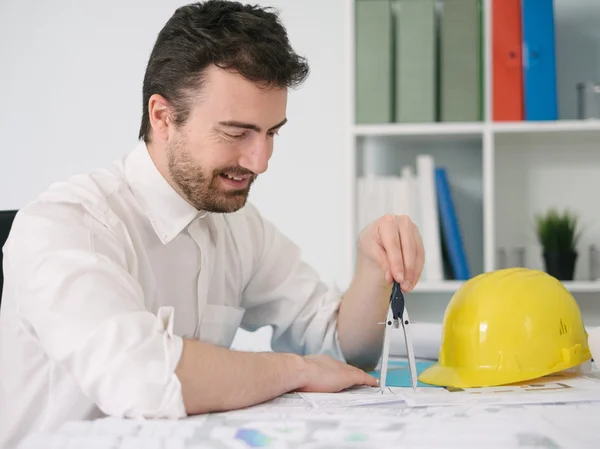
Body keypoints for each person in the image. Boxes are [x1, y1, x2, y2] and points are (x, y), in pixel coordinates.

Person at [0, 1, 424, 447]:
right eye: (236, 132)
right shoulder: (65, 224)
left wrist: (372, 267)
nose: (260, 161)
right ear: (162, 117)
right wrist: (297, 370)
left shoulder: (238, 226)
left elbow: (342, 348)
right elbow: (144, 380)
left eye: (271, 132)